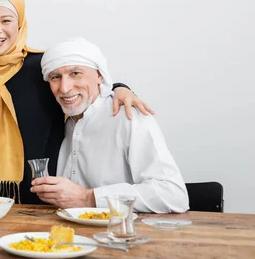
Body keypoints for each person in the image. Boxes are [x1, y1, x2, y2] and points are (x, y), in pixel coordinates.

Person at [0, 0, 154, 204]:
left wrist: (121, 88)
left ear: (20, 23)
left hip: (45, 195)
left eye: (6, 20)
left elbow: (84, 84)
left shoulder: (40, 66)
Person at [32, 38, 188, 213]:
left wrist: (88, 198)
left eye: (76, 73)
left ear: (100, 75)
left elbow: (173, 195)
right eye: (55, 77)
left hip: (124, 234)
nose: (65, 87)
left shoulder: (129, 116)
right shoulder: (63, 122)